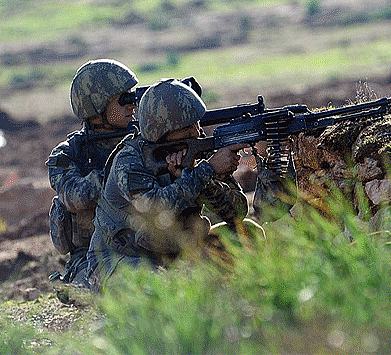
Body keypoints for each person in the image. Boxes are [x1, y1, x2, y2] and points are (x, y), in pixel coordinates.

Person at [86, 78, 264, 290]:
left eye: (197, 123)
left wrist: (206, 180)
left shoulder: (193, 149)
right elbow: (155, 210)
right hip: (121, 260)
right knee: (161, 289)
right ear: (162, 133)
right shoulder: (129, 161)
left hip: (175, 254)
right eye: (187, 127)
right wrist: (205, 171)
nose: (197, 132)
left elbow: (237, 212)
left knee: (247, 234)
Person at [46, 59, 139, 286]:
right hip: (92, 257)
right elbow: (74, 196)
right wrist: (121, 171)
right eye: (124, 99)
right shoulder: (69, 154)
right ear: (98, 106)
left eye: (133, 96)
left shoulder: (143, 141)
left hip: (147, 246)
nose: (133, 105)